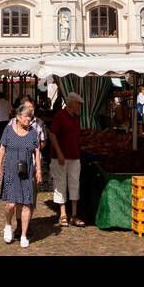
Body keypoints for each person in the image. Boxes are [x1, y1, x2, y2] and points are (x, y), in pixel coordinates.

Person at [0, 102, 42, 247]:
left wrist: (39, 170)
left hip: (27, 172)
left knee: (27, 204)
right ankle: (8, 224)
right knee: (11, 204)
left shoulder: (33, 132)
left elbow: (36, 151)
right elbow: (2, 148)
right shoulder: (9, 130)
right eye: (25, 117)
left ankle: (23, 235)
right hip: (11, 170)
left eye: (29, 117)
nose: (28, 120)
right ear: (18, 117)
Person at [49, 92, 85, 227]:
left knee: (75, 183)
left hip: (74, 156)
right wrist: (59, 153)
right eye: (78, 103)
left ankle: (74, 214)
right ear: (71, 103)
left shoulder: (77, 118)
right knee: (60, 183)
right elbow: (52, 135)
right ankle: (63, 213)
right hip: (60, 157)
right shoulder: (59, 116)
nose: (80, 106)